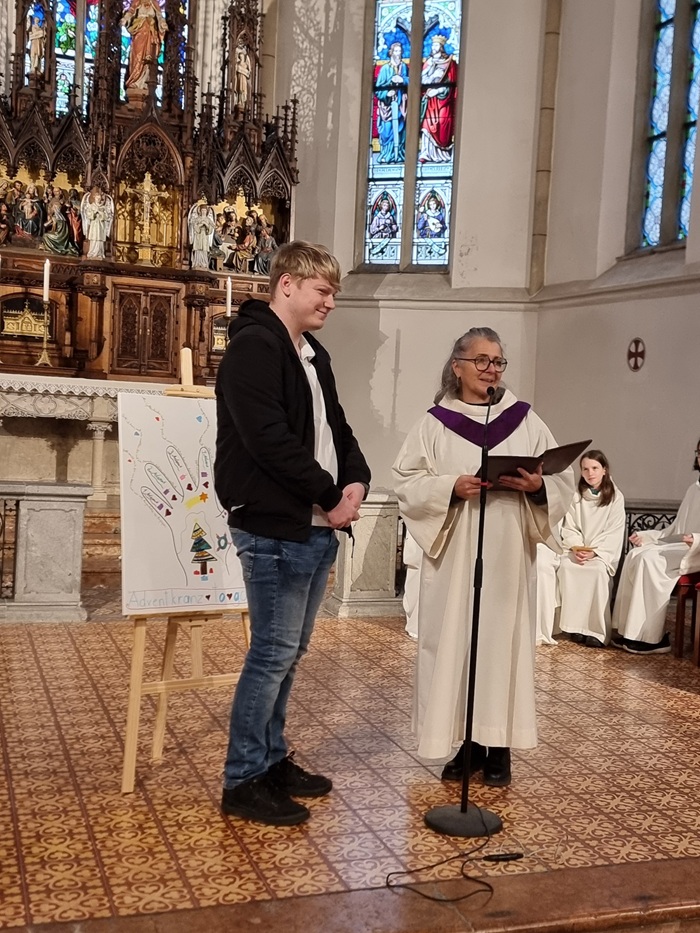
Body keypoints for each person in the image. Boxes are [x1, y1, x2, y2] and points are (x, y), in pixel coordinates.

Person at [215, 240, 371, 826]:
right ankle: (243, 778)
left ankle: (272, 759)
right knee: (271, 653)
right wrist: (330, 497)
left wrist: (355, 481)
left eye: (334, 293)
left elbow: (338, 427)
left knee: (289, 653)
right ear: (287, 284)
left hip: (313, 525)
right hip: (275, 525)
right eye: (323, 291)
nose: (331, 302)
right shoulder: (254, 348)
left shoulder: (312, 353)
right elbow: (269, 441)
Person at [392, 327, 574, 787]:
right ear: (457, 366)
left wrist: (539, 487)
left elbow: (562, 480)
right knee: (456, 643)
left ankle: (500, 747)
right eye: (482, 360)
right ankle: (467, 744)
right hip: (456, 555)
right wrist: (448, 487)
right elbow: (406, 482)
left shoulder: (524, 419)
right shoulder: (435, 423)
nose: (491, 369)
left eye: (497, 361)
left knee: (500, 645)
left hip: (507, 552)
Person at [612, 440, 700, 654]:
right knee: (636, 554)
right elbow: (675, 529)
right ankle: (628, 631)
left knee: (649, 561)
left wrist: (696, 539)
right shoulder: (694, 489)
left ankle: (652, 638)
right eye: (699, 452)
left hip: (696, 551)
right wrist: (647, 536)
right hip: (684, 546)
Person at [551, 450, 626, 648]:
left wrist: (595, 552)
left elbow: (614, 531)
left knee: (597, 572)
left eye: (595, 468)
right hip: (577, 550)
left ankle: (595, 631)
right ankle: (575, 628)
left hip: (600, 553)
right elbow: (570, 527)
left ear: (604, 470)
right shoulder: (575, 496)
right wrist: (577, 547)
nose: (590, 473)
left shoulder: (616, 497)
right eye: (585, 469)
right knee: (567, 568)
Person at [419, 34, 457, 163]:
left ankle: (442, 154)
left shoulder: (449, 63)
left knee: (442, 123)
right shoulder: (428, 62)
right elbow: (421, 81)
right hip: (429, 100)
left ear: (441, 47)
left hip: (443, 100)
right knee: (426, 125)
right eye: (433, 45)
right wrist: (429, 71)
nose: (434, 47)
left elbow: (451, 84)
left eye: (436, 45)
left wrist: (438, 91)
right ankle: (425, 153)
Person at [122, 0, 168, 92]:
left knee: (149, 58)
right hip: (139, 33)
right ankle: (135, 80)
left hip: (150, 34)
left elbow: (159, 17)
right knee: (137, 57)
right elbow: (130, 13)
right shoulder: (137, 2)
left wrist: (163, 24)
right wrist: (125, 19)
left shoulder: (154, 3)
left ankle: (145, 82)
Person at [375, 42, 409, 164]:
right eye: (395, 51)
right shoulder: (385, 69)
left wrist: (402, 80)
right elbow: (378, 88)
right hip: (387, 106)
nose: (398, 53)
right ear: (391, 52)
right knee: (387, 130)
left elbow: (411, 82)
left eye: (399, 51)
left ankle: (398, 154)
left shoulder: (404, 67)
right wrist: (387, 93)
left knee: (400, 130)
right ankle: (386, 154)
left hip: (401, 105)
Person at [80, 188, 114, 260]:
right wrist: (94, 212)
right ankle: (92, 253)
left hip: (101, 225)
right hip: (94, 225)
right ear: (94, 198)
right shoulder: (91, 206)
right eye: (97, 198)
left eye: (99, 198)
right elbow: (88, 215)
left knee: (99, 239)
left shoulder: (103, 207)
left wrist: (101, 213)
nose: (98, 199)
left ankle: (99, 253)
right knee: (93, 239)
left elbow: (106, 217)